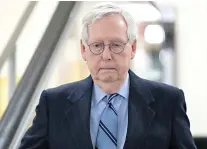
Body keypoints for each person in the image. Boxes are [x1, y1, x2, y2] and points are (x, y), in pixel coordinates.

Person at [19, 3, 197, 149]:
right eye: (97, 45)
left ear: (132, 48)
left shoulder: (168, 101)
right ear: (83, 50)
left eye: (116, 44)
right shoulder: (54, 103)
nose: (106, 55)